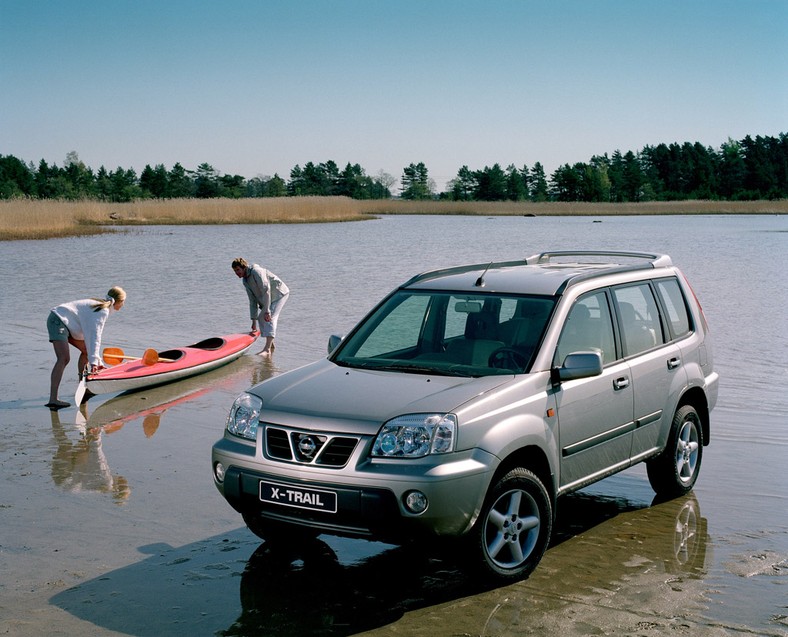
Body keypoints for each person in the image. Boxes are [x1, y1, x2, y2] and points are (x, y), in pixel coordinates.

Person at [47, 286, 126, 410]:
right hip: (58, 320)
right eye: (123, 302)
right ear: (120, 301)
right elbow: (95, 336)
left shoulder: (101, 306)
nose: (123, 305)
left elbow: (90, 339)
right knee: (63, 358)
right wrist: (94, 362)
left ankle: (83, 387)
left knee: (85, 351)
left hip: (68, 324)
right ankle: (53, 399)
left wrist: (96, 360)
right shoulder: (102, 310)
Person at [231, 258, 289, 356]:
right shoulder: (245, 280)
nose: (236, 273)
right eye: (234, 271)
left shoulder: (256, 272)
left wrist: (267, 310)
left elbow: (266, 290)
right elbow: (252, 300)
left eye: (237, 269)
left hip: (279, 294)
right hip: (268, 298)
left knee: (269, 318)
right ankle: (271, 345)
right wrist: (254, 320)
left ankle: (267, 350)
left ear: (243, 267)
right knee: (261, 317)